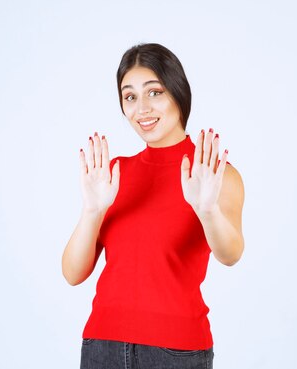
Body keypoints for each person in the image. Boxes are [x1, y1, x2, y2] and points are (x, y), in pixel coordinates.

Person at [62, 43, 245, 369]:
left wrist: (207, 211)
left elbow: (230, 254)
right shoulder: (114, 174)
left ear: (178, 93)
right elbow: (73, 273)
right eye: (130, 96)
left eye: (154, 92)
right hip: (103, 347)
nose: (142, 108)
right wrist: (92, 210)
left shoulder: (213, 173)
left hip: (176, 351)